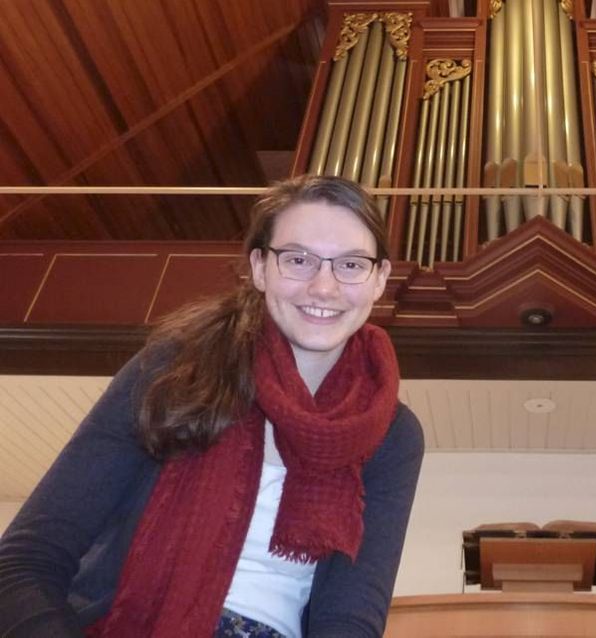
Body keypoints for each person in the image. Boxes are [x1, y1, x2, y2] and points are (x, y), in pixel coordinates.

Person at [0, 175, 425, 637]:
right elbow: (27, 561)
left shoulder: (393, 433)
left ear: (380, 278)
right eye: (298, 259)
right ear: (260, 267)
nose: (324, 287)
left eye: (350, 264)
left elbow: (349, 620)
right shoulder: (174, 368)